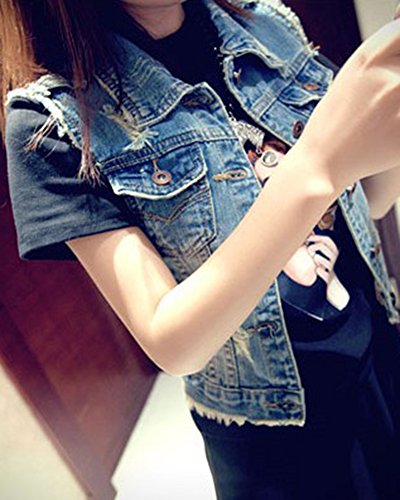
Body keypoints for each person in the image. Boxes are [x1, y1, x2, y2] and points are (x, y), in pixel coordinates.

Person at [2, 0, 400, 498]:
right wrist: (316, 166)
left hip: (377, 346)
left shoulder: (267, 24)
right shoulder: (51, 121)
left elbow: (373, 199)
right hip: (275, 438)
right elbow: (172, 340)